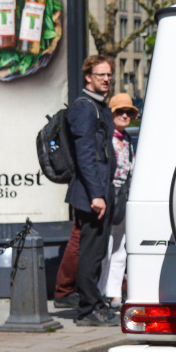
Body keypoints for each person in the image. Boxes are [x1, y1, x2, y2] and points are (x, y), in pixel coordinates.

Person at [66, 56, 117, 326]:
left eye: (109, 75)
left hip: (101, 189)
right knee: (91, 252)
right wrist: (97, 195)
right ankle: (87, 310)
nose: (106, 80)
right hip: (91, 193)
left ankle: (94, 303)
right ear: (88, 77)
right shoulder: (84, 109)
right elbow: (85, 155)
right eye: (100, 75)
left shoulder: (100, 107)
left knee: (97, 253)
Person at [99, 93, 137, 308]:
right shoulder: (106, 138)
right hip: (107, 196)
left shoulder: (127, 139)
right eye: (120, 112)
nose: (124, 115)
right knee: (104, 248)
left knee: (120, 248)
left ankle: (114, 294)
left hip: (123, 197)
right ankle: (100, 290)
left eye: (128, 112)